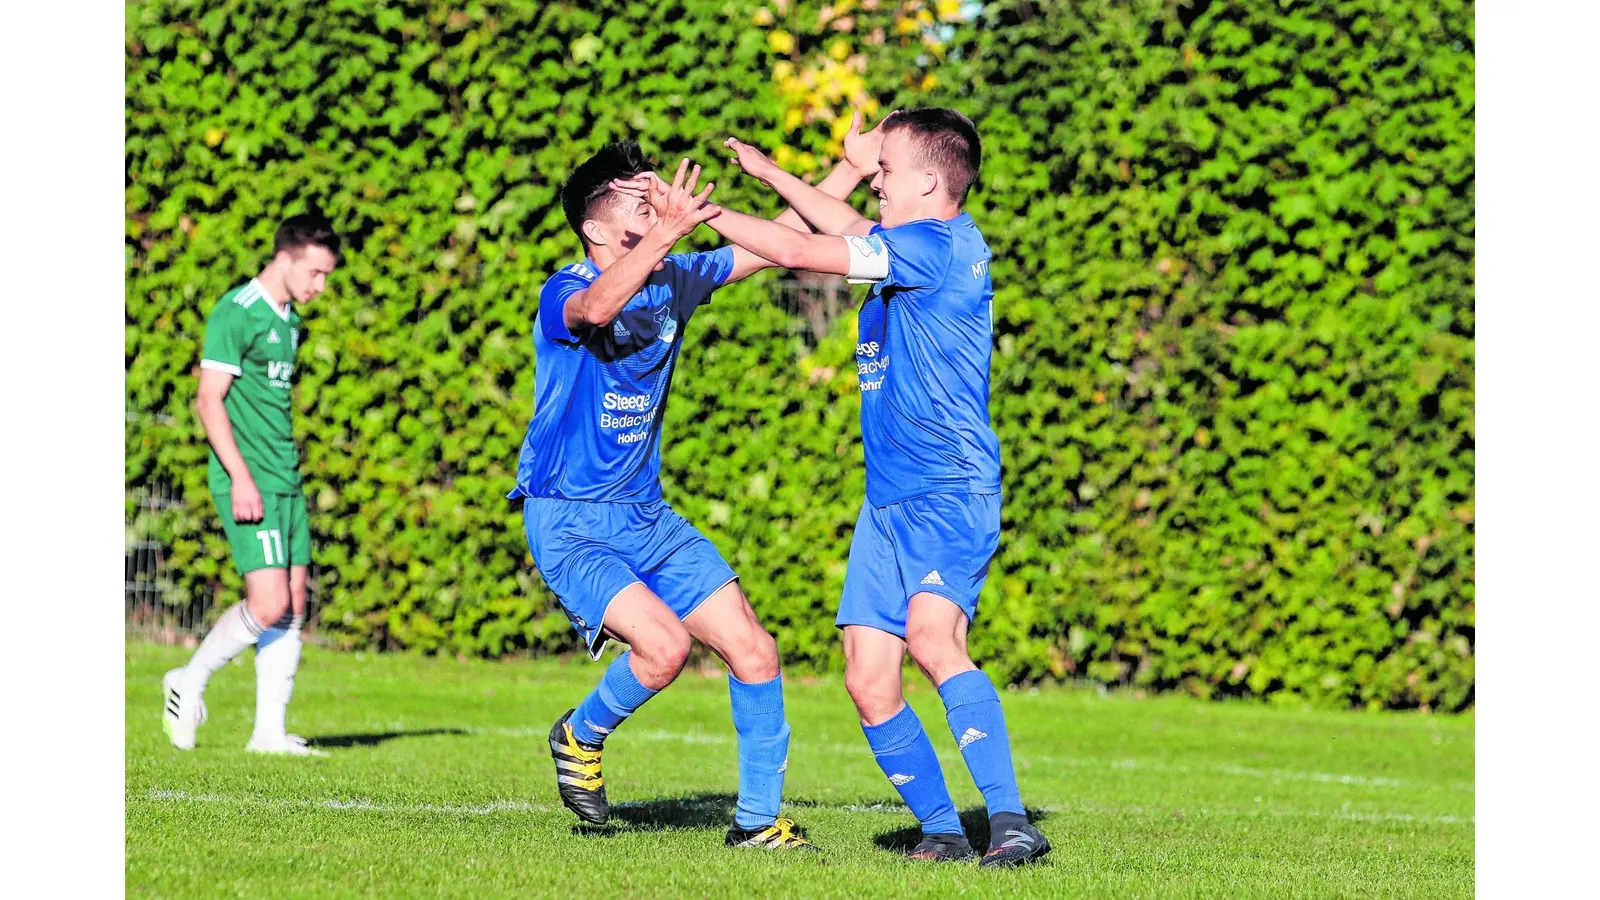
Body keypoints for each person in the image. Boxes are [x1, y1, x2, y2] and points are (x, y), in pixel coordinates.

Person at [651, 108, 1051, 866]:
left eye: (886, 171)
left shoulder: (935, 248)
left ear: (930, 181)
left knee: (936, 641)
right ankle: (941, 831)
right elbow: (837, 226)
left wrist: (699, 215)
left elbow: (805, 249)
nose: (875, 181)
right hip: (889, 502)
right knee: (868, 680)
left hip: (947, 493)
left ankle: (1010, 823)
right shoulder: (919, 242)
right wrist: (772, 174)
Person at [509, 138, 874, 850]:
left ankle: (757, 824)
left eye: (657, 195)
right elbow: (594, 308)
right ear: (595, 225)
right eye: (636, 199)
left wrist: (853, 170)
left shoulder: (674, 274)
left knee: (757, 652)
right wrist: (670, 231)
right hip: (569, 518)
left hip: (647, 515)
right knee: (665, 648)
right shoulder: (566, 285)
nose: (656, 201)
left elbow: (785, 245)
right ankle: (580, 735)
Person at [161, 213, 340, 756]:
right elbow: (208, 399)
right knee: (265, 604)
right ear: (284, 258)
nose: (320, 286)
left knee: (292, 604)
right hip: (250, 477)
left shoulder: (290, 321)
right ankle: (187, 680)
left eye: (326, 276)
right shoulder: (235, 314)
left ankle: (267, 734)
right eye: (314, 273)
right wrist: (240, 478)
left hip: (286, 478)